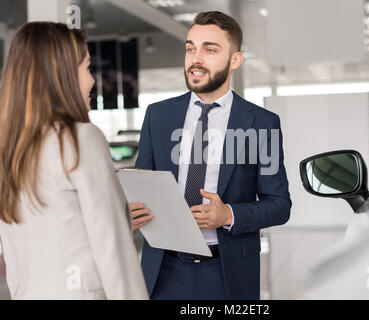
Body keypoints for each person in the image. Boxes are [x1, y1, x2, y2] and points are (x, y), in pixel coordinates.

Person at [132, 11, 291, 300]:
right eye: (191, 48)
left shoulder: (261, 123)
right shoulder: (158, 116)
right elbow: (141, 188)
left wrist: (228, 214)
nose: (196, 58)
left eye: (210, 49)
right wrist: (130, 211)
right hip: (163, 270)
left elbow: (280, 205)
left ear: (235, 60)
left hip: (227, 272)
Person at [0, 22, 148, 300]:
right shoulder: (81, 138)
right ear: (61, 74)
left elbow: (23, 250)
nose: (92, 80)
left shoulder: (11, 150)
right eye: (87, 67)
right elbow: (113, 251)